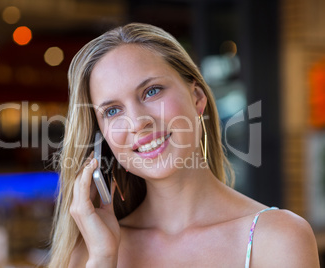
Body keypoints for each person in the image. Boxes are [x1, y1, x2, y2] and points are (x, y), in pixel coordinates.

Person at [49, 23, 320, 268]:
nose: (138, 122)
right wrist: (104, 259)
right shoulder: (91, 252)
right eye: (112, 111)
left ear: (197, 97)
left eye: (151, 91)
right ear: (102, 140)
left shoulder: (279, 238)